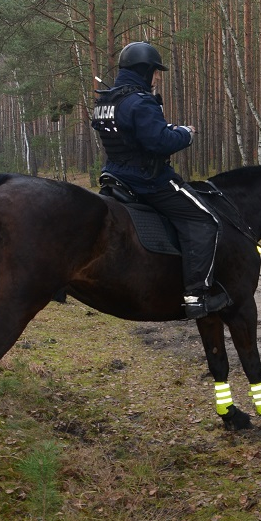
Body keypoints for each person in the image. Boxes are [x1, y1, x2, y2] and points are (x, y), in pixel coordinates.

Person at [92, 41, 229, 320]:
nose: (157, 77)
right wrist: (185, 133)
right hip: (147, 180)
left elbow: (132, 135)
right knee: (205, 221)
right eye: (155, 72)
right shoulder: (139, 101)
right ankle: (196, 296)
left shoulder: (106, 100)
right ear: (144, 70)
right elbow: (159, 142)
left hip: (115, 175)